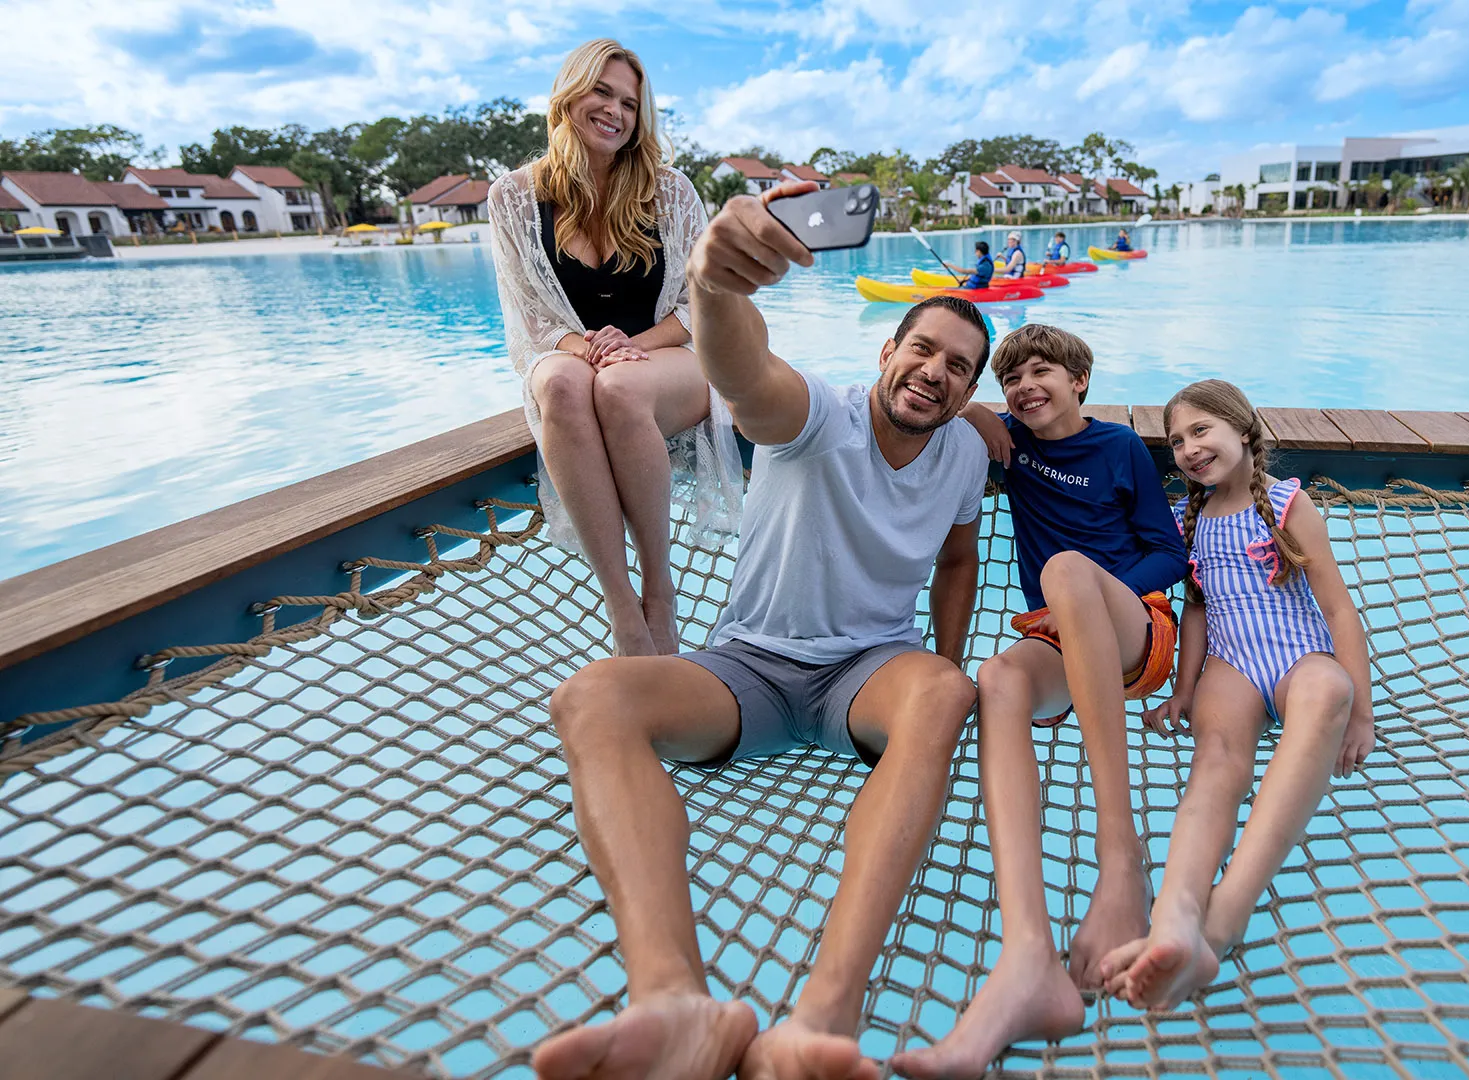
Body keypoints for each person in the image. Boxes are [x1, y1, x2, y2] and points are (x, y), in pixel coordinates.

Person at [531, 179, 992, 1080]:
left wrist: (942, 660)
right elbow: (745, 378)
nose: (936, 372)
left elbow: (959, 560)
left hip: (868, 671)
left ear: (970, 388)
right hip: (750, 668)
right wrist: (712, 285)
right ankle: (674, 1002)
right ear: (888, 351)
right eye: (924, 350)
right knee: (591, 697)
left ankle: (822, 1020)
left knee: (948, 691)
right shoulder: (817, 417)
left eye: (959, 367)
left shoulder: (969, 450)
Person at [894, 325, 1186, 1079]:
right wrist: (979, 416)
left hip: (1134, 630)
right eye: (1012, 377)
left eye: (1043, 371)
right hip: (1054, 638)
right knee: (997, 679)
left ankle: (1121, 863)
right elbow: (935, 405)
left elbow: (1168, 550)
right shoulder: (1012, 451)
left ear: (1080, 380)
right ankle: (1027, 956)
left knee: (1064, 567)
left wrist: (1096, 592)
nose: (1027, 386)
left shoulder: (1119, 449)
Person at [1098, 379, 1375, 1011]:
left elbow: (1337, 609)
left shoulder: (1286, 505)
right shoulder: (1183, 520)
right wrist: (1184, 691)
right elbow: (1194, 612)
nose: (1188, 449)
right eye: (1176, 440)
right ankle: (1173, 916)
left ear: (1244, 431)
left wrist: (1362, 710)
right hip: (1231, 662)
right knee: (1215, 766)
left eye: (1201, 431)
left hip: (1296, 653)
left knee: (1327, 690)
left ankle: (1221, 920)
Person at [490, 38, 741, 659]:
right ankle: (621, 604)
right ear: (569, 95)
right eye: (602, 92)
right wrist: (588, 349)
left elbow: (698, 308)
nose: (615, 111)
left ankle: (660, 588)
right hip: (573, 357)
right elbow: (527, 318)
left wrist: (628, 346)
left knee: (621, 385)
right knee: (560, 384)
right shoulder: (514, 197)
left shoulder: (672, 190)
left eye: (629, 102)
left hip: (668, 356)